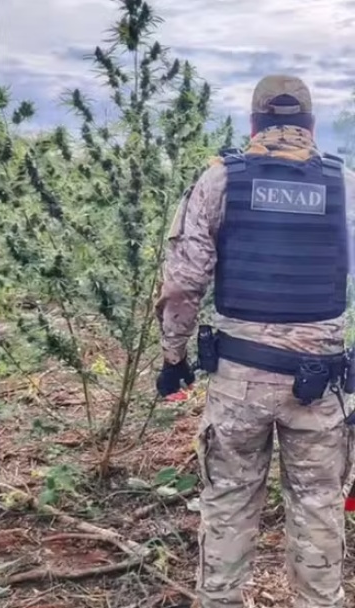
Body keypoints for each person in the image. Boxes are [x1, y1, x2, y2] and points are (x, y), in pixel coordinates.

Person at [154, 74, 354, 608]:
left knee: (228, 500)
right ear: (311, 125)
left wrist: (173, 356)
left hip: (238, 382)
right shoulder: (345, 185)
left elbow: (183, 284)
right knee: (318, 504)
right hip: (320, 384)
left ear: (253, 124)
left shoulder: (220, 180)